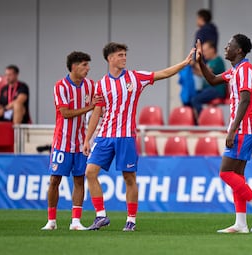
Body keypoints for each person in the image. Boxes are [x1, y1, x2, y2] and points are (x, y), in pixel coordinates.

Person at [83, 42, 195, 232]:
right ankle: (101, 216)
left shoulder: (135, 78)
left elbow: (163, 73)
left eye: (125, 54)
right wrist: (88, 139)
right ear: (110, 59)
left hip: (126, 136)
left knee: (129, 177)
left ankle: (131, 220)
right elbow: (97, 112)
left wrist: (184, 63)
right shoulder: (101, 84)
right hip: (104, 136)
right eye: (120, 55)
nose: (124, 58)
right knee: (90, 172)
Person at [196, 34, 252, 233]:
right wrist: (200, 62)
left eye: (230, 45)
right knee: (237, 176)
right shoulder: (235, 71)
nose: (226, 48)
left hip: (243, 129)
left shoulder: (245, 70)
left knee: (226, 173)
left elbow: (245, 100)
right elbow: (212, 80)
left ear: (239, 50)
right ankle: (241, 223)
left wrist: (232, 130)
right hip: (243, 129)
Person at [41, 51, 101, 231]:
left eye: (88, 65)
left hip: (81, 142)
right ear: (74, 66)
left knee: (79, 180)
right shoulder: (60, 86)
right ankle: (51, 220)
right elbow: (65, 113)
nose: (88, 68)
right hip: (62, 142)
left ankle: (75, 221)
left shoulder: (90, 85)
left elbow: (99, 107)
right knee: (55, 180)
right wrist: (89, 107)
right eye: (84, 65)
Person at [191, 40, 226, 119]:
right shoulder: (209, 61)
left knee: (196, 100)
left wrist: (195, 63)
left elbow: (208, 72)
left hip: (216, 90)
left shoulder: (218, 61)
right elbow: (202, 74)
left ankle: (204, 120)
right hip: (207, 89)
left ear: (212, 50)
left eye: (205, 51)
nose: (204, 53)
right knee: (192, 98)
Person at [192, 9, 219, 92]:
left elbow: (198, 48)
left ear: (201, 18)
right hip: (209, 64)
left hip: (200, 64)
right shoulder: (214, 30)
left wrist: (195, 62)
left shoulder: (201, 31)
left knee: (197, 95)